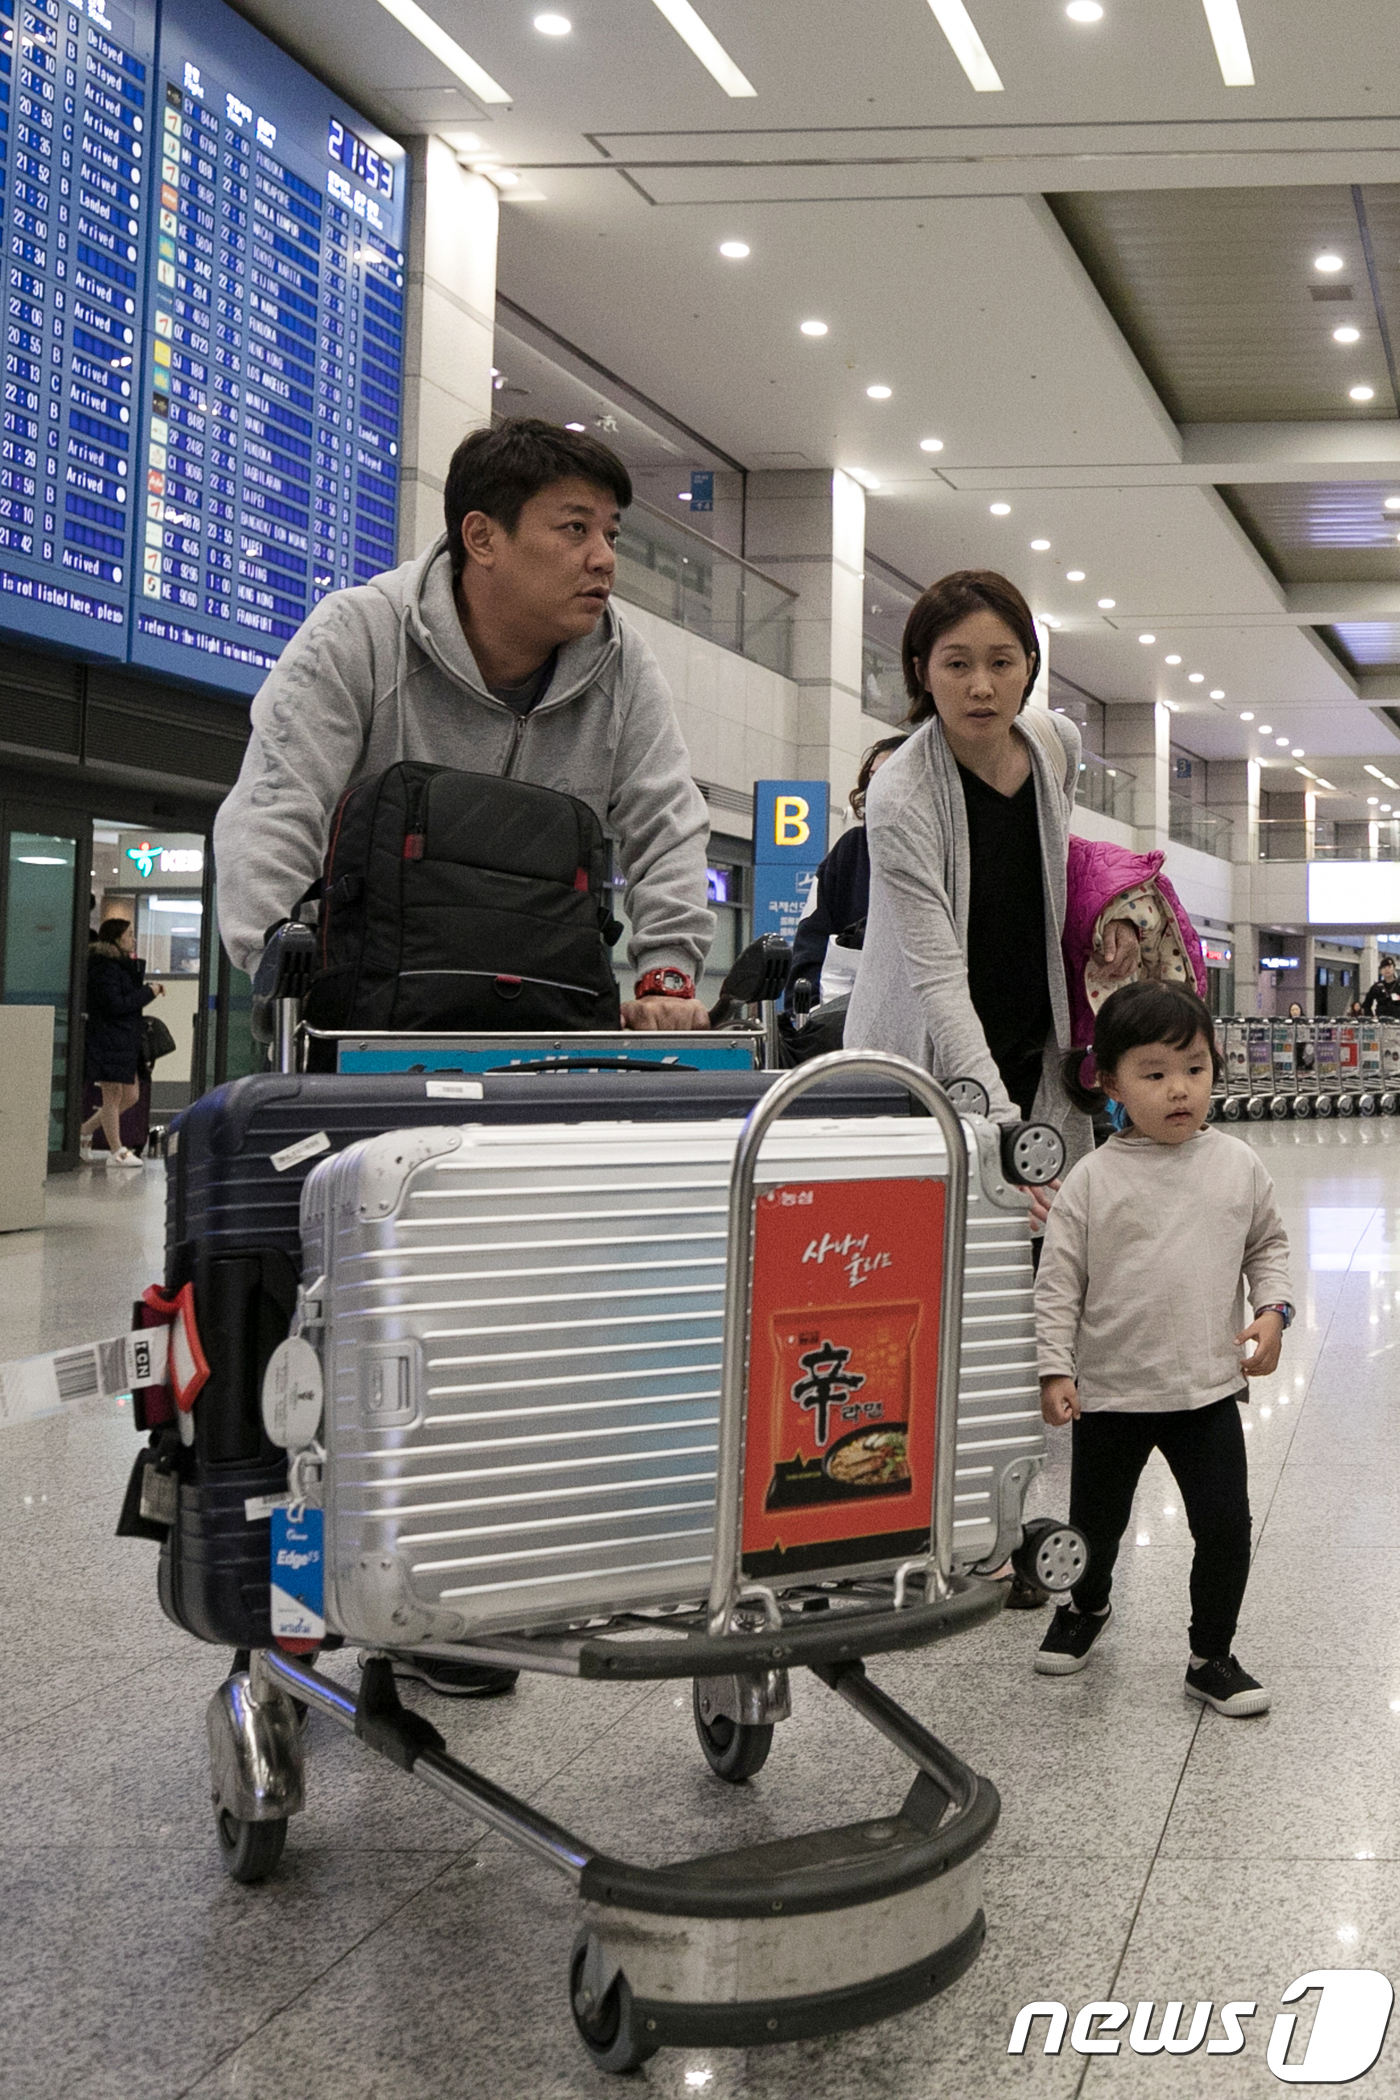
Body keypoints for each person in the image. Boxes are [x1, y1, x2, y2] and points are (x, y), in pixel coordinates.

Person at [214, 417, 714, 1034]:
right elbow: (274, 808)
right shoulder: (358, 634)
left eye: (610, 534)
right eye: (576, 528)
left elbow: (667, 822)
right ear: (481, 537)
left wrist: (666, 972)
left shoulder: (623, 663)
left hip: (548, 1014)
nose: (604, 559)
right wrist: (285, 976)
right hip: (373, 1018)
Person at [1033, 980, 1294, 1717]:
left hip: (1206, 1390)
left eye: (1195, 1069)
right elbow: (1057, 1284)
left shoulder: (1236, 1165)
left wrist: (1272, 1311)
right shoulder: (1091, 1180)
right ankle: (1087, 1606)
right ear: (1110, 1083)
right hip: (1111, 1393)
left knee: (1225, 1528)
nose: (1179, 1090)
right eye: (1154, 1074)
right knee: (1096, 1523)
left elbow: (1267, 1245)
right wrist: (1055, 1367)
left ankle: (1211, 1655)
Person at [845, 570, 1095, 1158]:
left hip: (1037, 1044)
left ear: (1029, 667)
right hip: (928, 1054)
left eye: (1002, 663)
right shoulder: (900, 797)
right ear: (920, 671)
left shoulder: (1055, 743)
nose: (981, 687)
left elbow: (1058, 876)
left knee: (1050, 1241)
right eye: (957, 665)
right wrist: (1001, 1123)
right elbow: (936, 979)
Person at [786, 734, 907, 1009]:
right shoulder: (851, 851)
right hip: (845, 1015)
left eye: (887, 776)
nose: (875, 788)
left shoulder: (945, 847)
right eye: (871, 778)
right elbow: (811, 938)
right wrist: (812, 1012)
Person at [79, 920, 162, 1167]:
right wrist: (149, 993)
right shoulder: (105, 967)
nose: (133, 939)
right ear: (116, 938)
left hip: (122, 1040)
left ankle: (84, 1130)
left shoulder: (120, 966)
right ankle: (117, 1151)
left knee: (131, 1095)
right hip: (108, 1039)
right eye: (129, 935)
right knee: (112, 1096)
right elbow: (117, 1004)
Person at [1363, 957, 1400, 1021]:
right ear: (1381, 971)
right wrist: (1371, 1017)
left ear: (1394, 968)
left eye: (1389, 967)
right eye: (1384, 968)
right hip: (1381, 1023)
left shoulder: (1398, 985)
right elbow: (1366, 1005)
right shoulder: (1377, 987)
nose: (1386, 970)